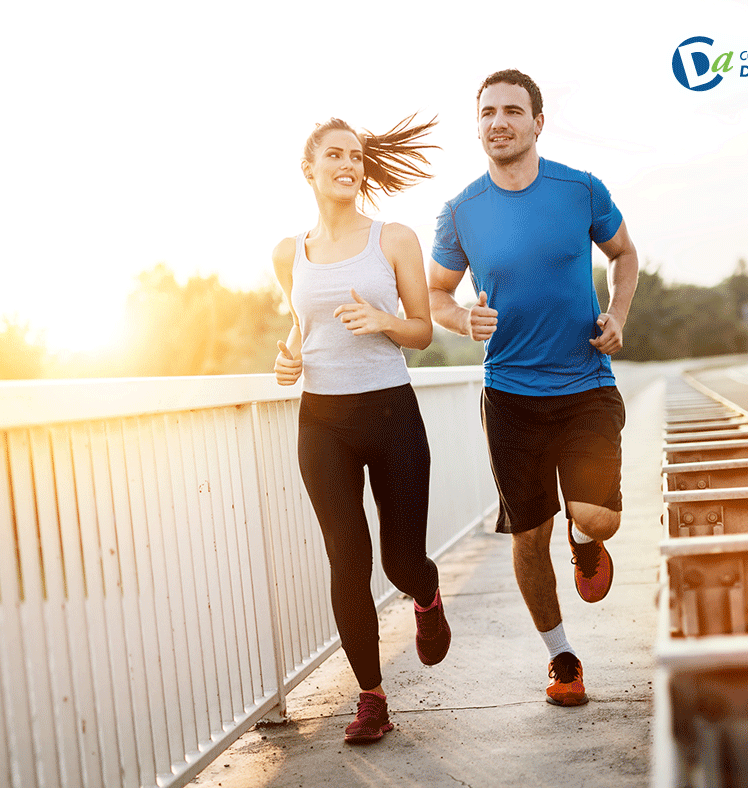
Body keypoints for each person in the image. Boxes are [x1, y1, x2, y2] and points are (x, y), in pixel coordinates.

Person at [428, 69, 639, 707]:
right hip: (511, 395)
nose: (498, 122)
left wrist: (618, 317)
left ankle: (585, 539)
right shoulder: (461, 211)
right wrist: (463, 318)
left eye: (512, 111)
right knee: (528, 534)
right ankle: (562, 659)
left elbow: (624, 254)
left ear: (537, 122)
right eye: (488, 112)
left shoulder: (580, 190)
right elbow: (437, 292)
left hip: (584, 382)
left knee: (597, 515)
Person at [272, 114, 450, 744]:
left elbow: (423, 332)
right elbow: (303, 324)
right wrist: (287, 356)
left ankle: (426, 597)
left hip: (390, 412)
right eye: (336, 156)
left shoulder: (393, 239)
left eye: (357, 155)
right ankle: (370, 698)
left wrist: (383, 320)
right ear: (311, 169)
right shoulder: (287, 253)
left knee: (401, 559)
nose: (349, 164)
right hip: (322, 422)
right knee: (348, 560)